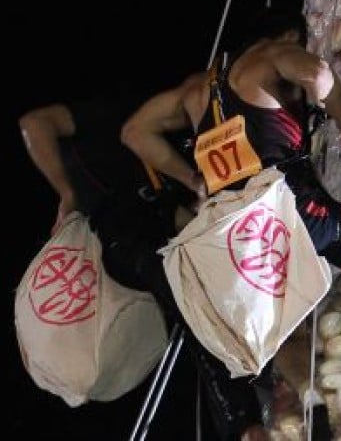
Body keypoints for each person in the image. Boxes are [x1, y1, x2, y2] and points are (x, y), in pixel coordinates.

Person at [119, 7, 341, 405]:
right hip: (296, 215)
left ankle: (310, 400)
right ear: (286, 34)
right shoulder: (270, 57)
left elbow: (134, 132)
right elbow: (318, 74)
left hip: (243, 237)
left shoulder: (196, 92)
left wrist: (194, 179)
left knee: (281, 322)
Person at [19, 86, 274, 441]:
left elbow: (180, 216)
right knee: (191, 306)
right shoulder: (108, 118)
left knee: (204, 298)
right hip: (121, 237)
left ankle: (255, 405)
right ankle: (245, 423)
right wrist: (67, 193)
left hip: (160, 228)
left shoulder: (172, 154)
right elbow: (34, 124)